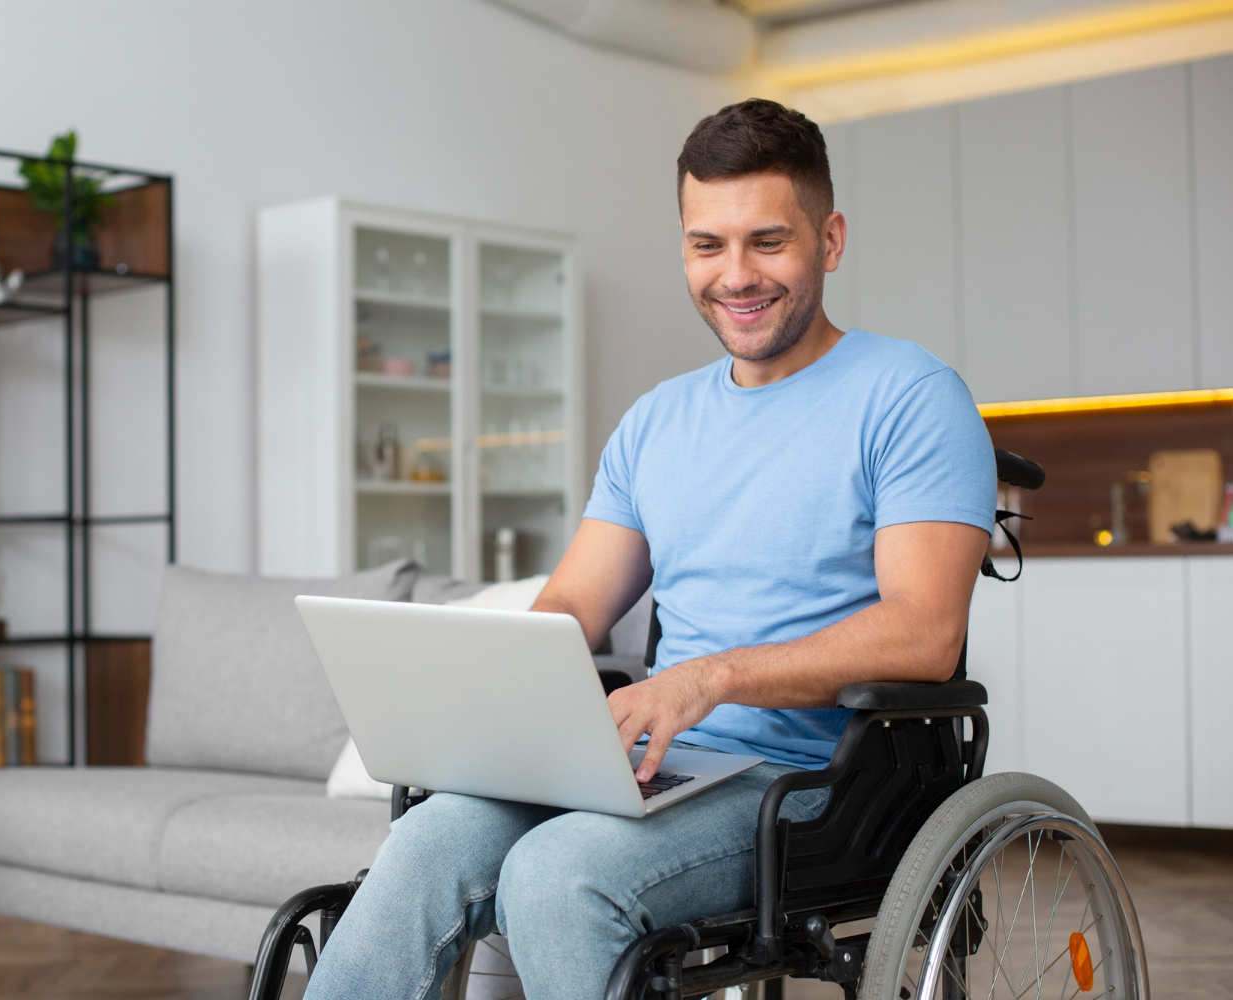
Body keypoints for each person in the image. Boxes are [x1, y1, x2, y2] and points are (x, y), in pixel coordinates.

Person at [303, 98, 997, 1000]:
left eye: (767, 242)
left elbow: (923, 634)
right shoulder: (656, 423)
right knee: (427, 843)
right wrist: (489, 700)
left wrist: (705, 679)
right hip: (645, 768)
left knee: (557, 874)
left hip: (820, 783)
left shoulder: (911, 397)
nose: (736, 275)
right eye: (707, 244)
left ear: (829, 239)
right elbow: (568, 610)